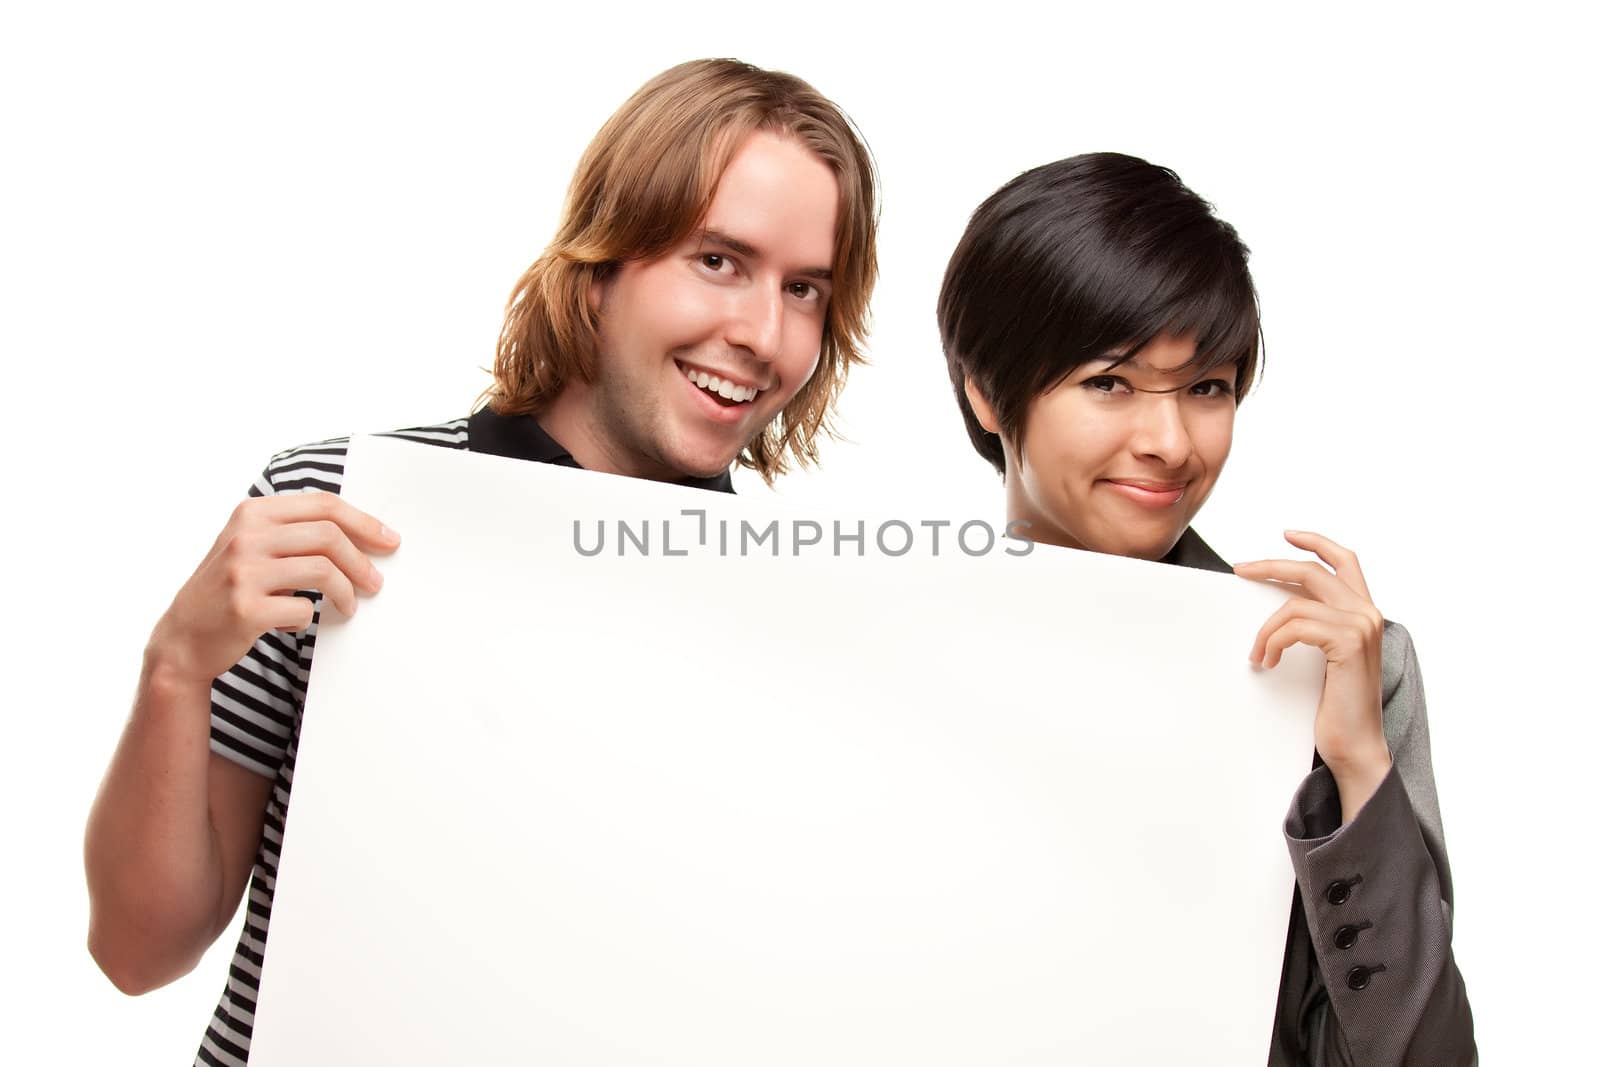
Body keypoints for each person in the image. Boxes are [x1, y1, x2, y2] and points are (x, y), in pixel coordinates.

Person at [83, 58, 878, 1067]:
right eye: (717, 260)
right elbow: (137, 949)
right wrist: (175, 664)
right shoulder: (338, 505)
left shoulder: (792, 618)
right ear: (602, 267)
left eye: (804, 288)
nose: (763, 333)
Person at [937, 153, 1474, 1065]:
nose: (1170, 442)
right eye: (1110, 382)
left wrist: (1356, 768)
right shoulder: (899, 640)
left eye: (1207, 388)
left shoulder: (1343, 671)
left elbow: (1425, 1056)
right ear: (988, 391)